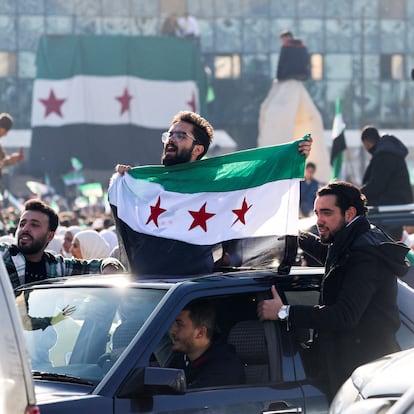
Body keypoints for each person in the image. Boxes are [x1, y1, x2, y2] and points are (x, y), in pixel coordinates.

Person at [257, 181, 409, 401]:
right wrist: (292, 234)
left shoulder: (365, 254)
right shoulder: (354, 238)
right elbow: (331, 255)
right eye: (317, 213)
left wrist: (284, 312)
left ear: (349, 213)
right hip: (352, 371)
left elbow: (344, 315)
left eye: (326, 213)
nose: (319, 221)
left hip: (363, 384)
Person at [115, 110, 312, 276]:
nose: (171, 140)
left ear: (198, 149)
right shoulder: (149, 186)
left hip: (190, 293)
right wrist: (123, 181)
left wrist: (293, 156)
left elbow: (259, 186)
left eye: (180, 136)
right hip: (146, 289)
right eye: (169, 135)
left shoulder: (217, 188)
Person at [0, 199, 125, 290]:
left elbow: (95, 266)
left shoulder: (56, 266)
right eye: (22, 224)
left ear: (50, 236)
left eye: (34, 224)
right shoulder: (4, 256)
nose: (25, 229)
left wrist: (110, 266)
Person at [167, 299, 245, 388]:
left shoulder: (224, 368)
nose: (172, 330)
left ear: (201, 332)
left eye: (179, 324)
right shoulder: (180, 359)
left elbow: (194, 400)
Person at [360, 125, 413, 206]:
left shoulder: (384, 156)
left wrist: (356, 194)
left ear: (366, 142)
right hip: (399, 203)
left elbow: (376, 185)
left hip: (391, 205)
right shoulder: (389, 152)